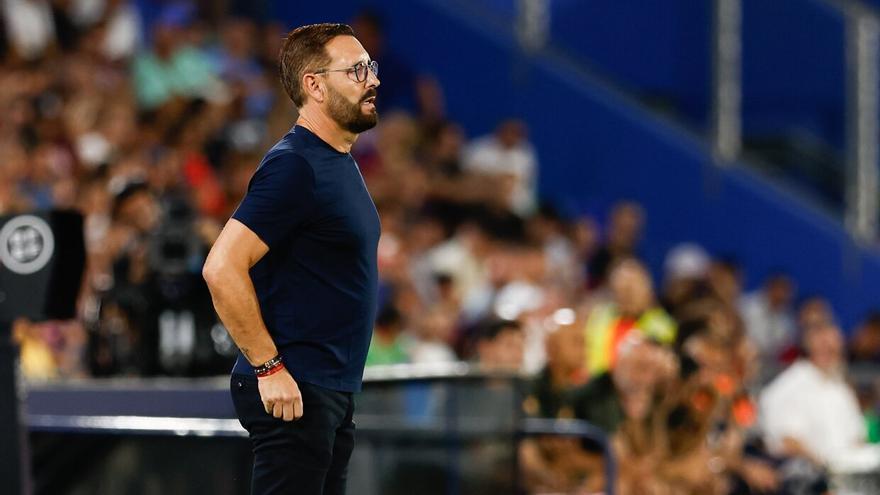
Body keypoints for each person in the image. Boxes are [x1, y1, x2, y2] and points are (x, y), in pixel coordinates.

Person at [202, 23, 381, 495]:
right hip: (295, 390)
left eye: (372, 67)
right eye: (357, 70)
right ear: (315, 85)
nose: (373, 80)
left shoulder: (336, 161)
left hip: (327, 390)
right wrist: (269, 367)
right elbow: (221, 267)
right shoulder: (295, 165)